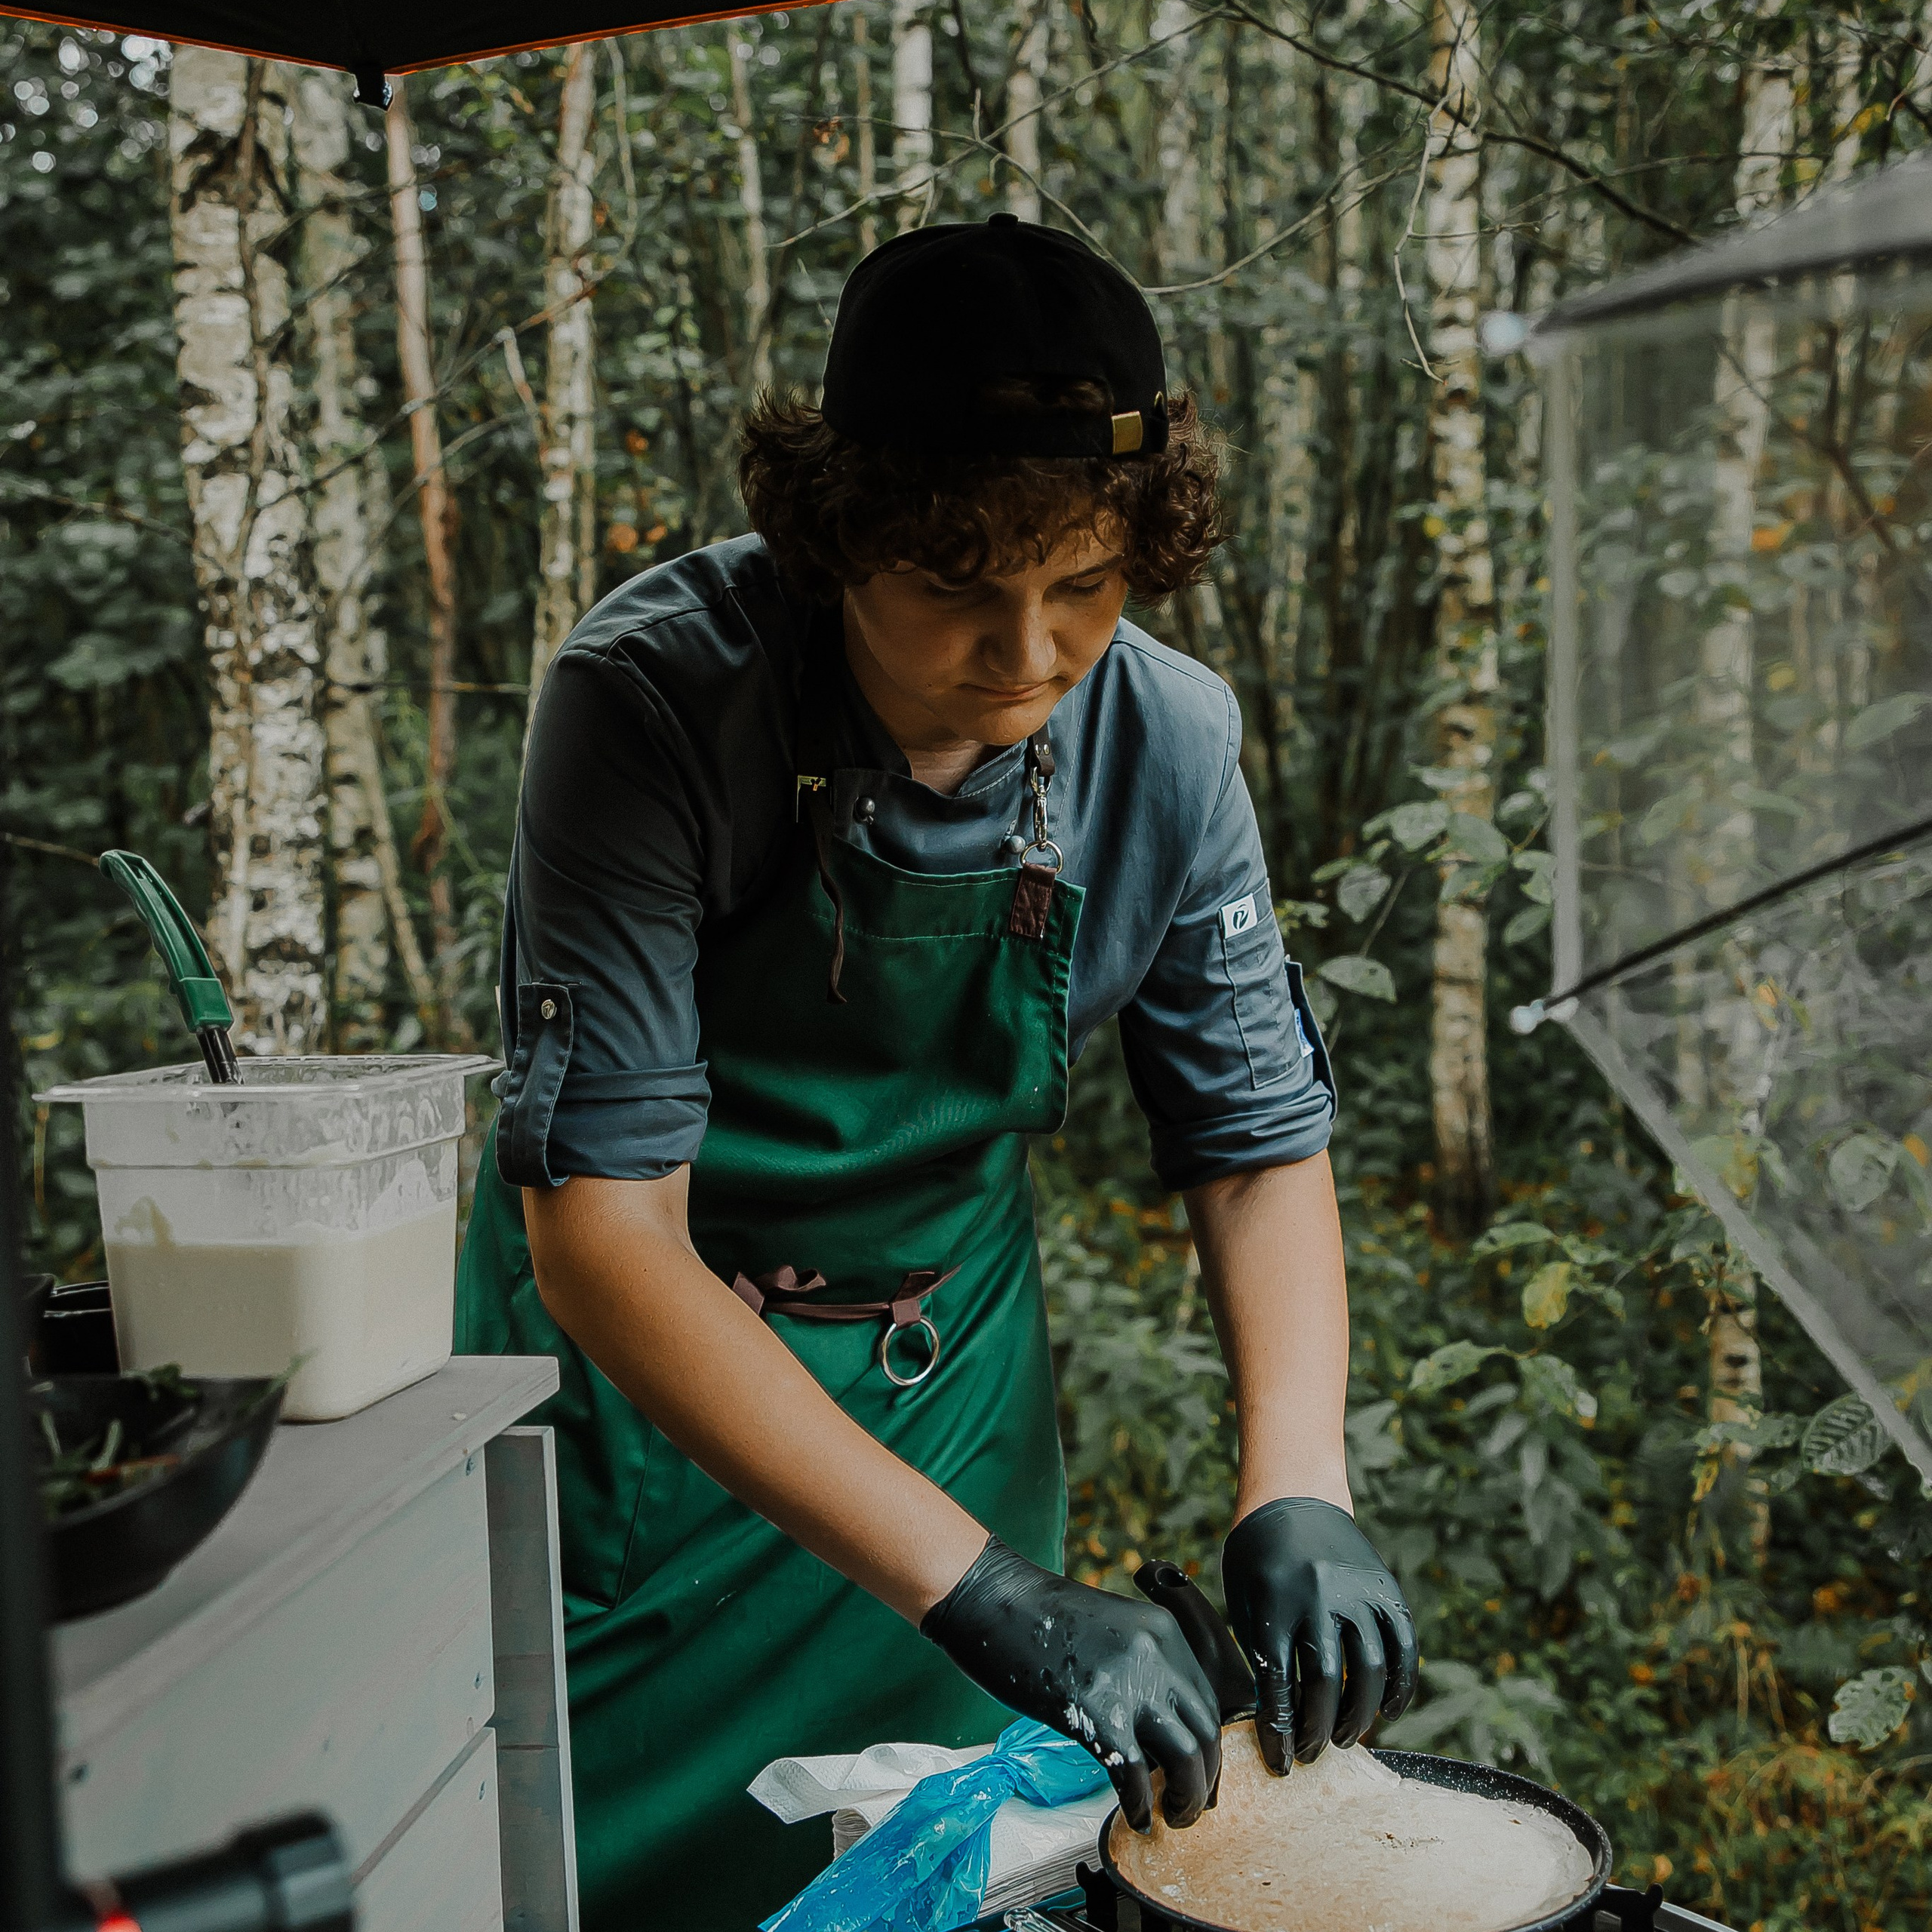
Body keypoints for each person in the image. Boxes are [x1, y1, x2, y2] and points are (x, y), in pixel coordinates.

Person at [457, 214, 1417, 1931]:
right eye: (957, 587)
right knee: (590, 1871)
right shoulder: (652, 704)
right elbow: (598, 1234)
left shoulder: (1169, 739)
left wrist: (1297, 1475)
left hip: (945, 1375)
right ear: (834, 541)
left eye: (1085, 587)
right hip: (650, 1399)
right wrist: (981, 1590)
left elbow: (1253, 1141)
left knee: (940, 1870)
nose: (1030, 653)